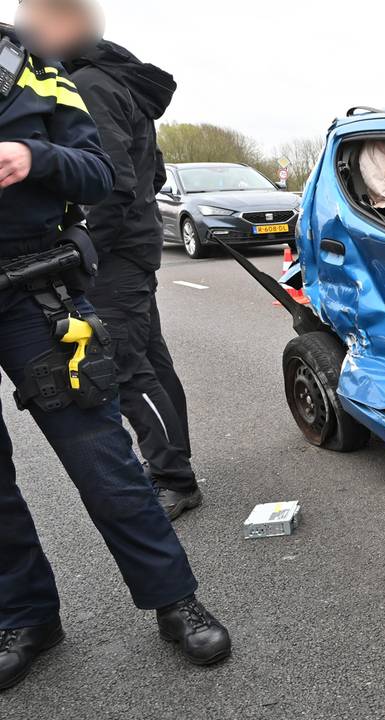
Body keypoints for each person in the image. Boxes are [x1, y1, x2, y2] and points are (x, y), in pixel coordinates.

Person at [0, 0, 229, 693]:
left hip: (31, 289)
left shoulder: (30, 68)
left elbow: (102, 173)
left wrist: (32, 157)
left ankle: (173, 600)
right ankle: (26, 618)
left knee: (102, 457)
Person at [66, 36, 202, 520]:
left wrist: (85, 252)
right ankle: (174, 460)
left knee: (125, 368)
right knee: (151, 360)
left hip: (114, 256)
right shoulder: (116, 81)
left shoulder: (88, 85)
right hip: (134, 249)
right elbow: (153, 173)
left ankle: (173, 477)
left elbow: (111, 184)